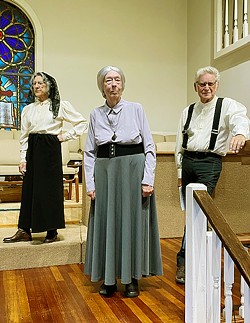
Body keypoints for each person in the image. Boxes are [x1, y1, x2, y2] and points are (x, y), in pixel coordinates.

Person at [84, 65, 163, 298]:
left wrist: (148, 179)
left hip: (133, 170)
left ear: (123, 84)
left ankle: (132, 278)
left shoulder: (136, 109)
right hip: (105, 172)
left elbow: (149, 147)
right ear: (102, 87)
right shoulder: (95, 114)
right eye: (108, 80)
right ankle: (109, 279)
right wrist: (91, 184)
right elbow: (89, 152)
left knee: (133, 222)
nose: (113, 84)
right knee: (107, 223)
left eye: (117, 80)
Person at [175, 66, 249, 284]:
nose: (206, 88)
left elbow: (240, 119)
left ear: (217, 85)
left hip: (209, 163)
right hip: (188, 161)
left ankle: (187, 262)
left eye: (210, 84)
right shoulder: (187, 110)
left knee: (200, 212)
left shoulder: (227, 106)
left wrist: (240, 133)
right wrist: (180, 173)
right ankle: (195, 261)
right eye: (202, 84)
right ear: (195, 87)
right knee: (192, 213)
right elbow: (180, 145)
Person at [3, 72, 87, 243]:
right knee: (30, 189)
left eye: (40, 83)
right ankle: (24, 230)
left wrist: (65, 136)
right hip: (33, 148)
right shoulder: (28, 109)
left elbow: (82, 123)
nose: (37, 86)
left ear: (49, 86)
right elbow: (24, 136)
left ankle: (51, 231)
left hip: (50, 148)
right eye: (34, 83)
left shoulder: (60, 105)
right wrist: (22, 159)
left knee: (49, 190)